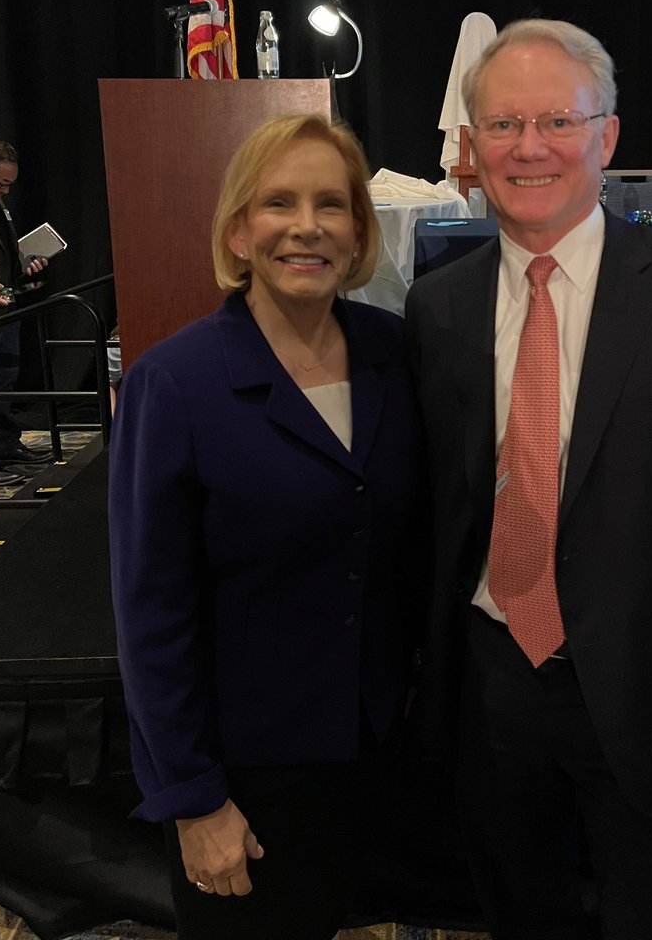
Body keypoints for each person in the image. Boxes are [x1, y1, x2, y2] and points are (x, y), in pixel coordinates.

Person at [404, 19, 652, 940]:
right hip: (492, 692)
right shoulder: (439, 306)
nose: (529, 147)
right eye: (502, 126)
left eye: (556, 120)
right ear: (471, 148)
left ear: (608, 136)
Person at [109, 113, 421, 940]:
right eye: (278, 203)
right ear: (239, 229)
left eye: (332, 204)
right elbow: (150, 615)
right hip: (243, 773)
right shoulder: (174, 383)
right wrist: (194, 799)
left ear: (360, 231)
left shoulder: (395, 354)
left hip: (371, 753)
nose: (307, 226)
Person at [0, 137, 51, 486]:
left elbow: (3, 255)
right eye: (2, 183)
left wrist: (25, 262)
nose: (6, 191)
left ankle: (7, 447)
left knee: (3, 384)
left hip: (5, 312)